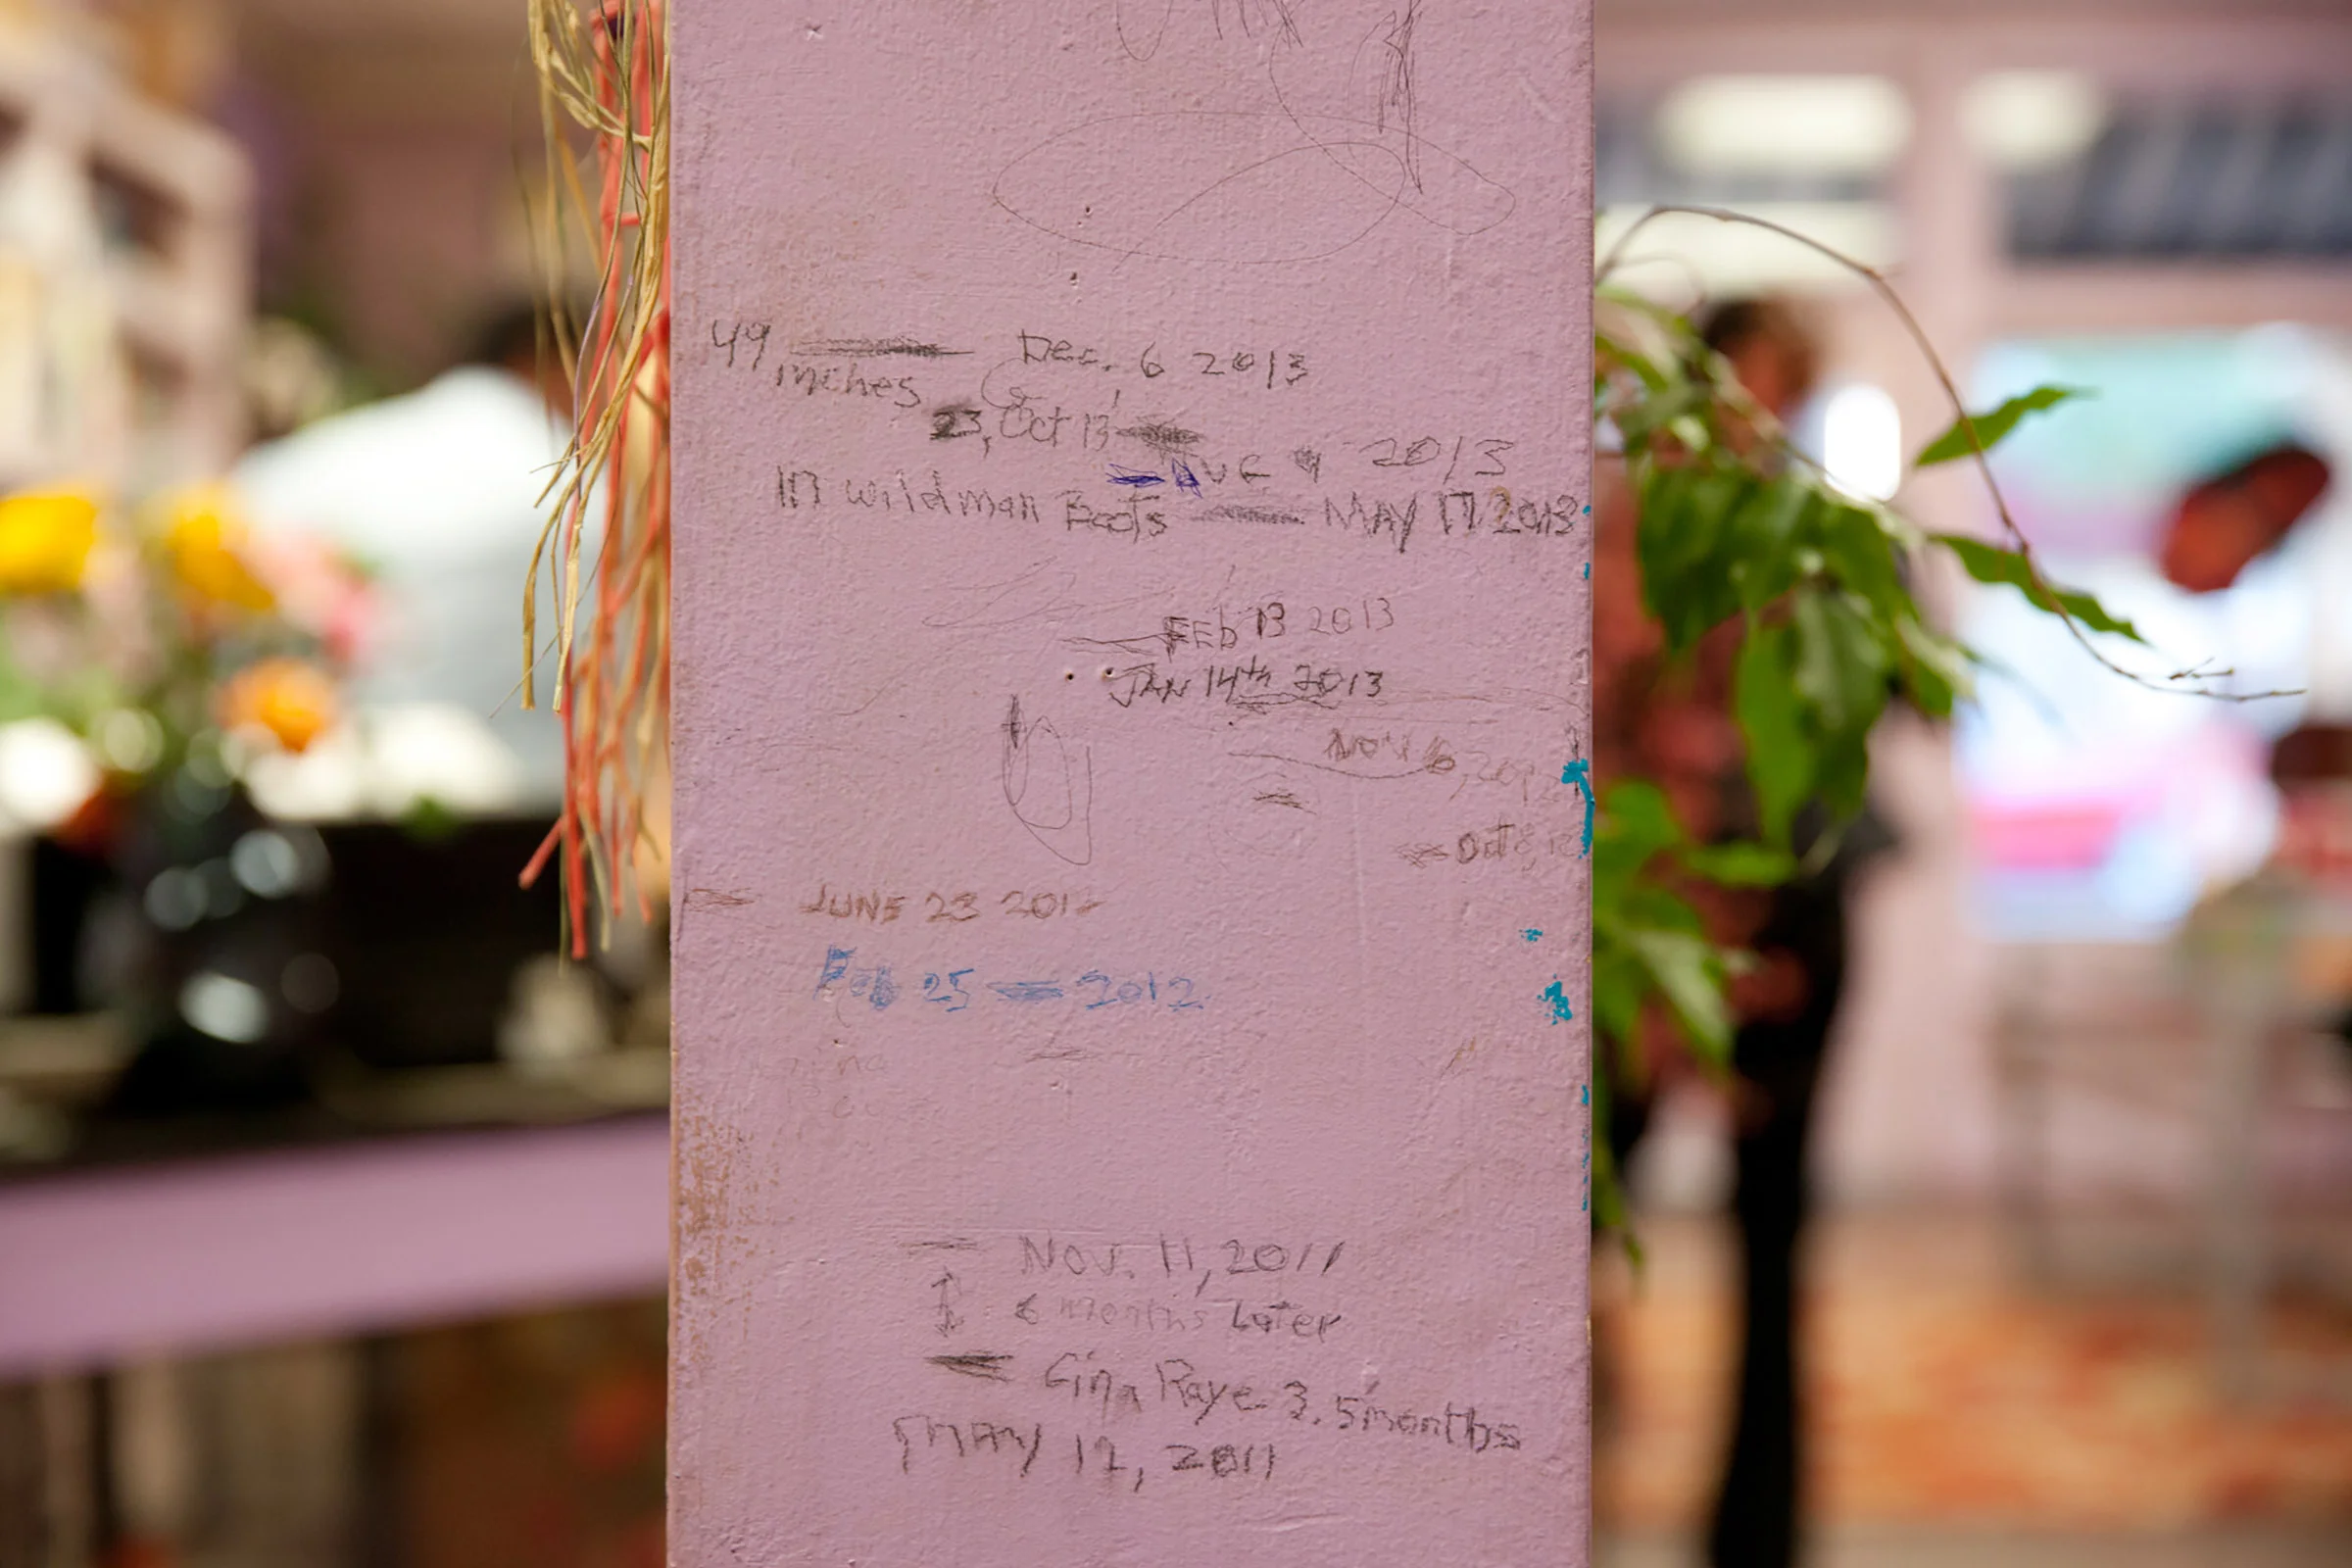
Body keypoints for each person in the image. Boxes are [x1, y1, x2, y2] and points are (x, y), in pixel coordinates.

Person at [1594, 297, 1884, 1568]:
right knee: (1573, 1224)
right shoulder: (1618, 530)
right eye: (1739, 388)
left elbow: (1866, 719)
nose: (1756, 419)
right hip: (1632, 922)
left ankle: (1758, 1540)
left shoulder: (1819, 541)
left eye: (1783, 394)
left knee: (1774, 1244)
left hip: (1789, 921)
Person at [231, 303, 576, 809]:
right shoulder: (579, 484)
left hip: (310, 798)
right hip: (526, 808)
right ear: (554, 364)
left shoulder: (320, 461)